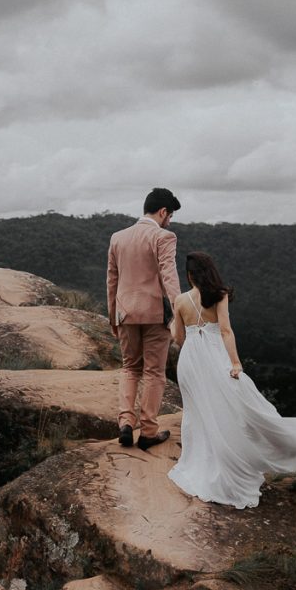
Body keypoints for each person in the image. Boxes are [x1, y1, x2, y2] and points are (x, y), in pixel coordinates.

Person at [168, 252, 296, 508]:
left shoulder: (179, 300)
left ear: (189, 275)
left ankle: (201, 461)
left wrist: (173, 327)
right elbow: (225, 330)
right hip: (213, 356)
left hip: (190, 362)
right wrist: (235, 363)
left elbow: (178, 338)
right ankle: (241, 455)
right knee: (229, 408)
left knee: (197, 413)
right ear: (210, 272)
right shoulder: (219, 295)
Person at [106, 188, 182, 450]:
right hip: (155, 314)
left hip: (125, 313)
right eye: (169, 216)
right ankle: (148, 431)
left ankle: (125, 424)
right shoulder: (164, 236)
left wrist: (113, 317)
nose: (169, 221)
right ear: (162, 212)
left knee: (129, 368)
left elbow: (112, 281)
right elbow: (169, 276)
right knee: (153, 371)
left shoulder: (118, 237)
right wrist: (179, 311)